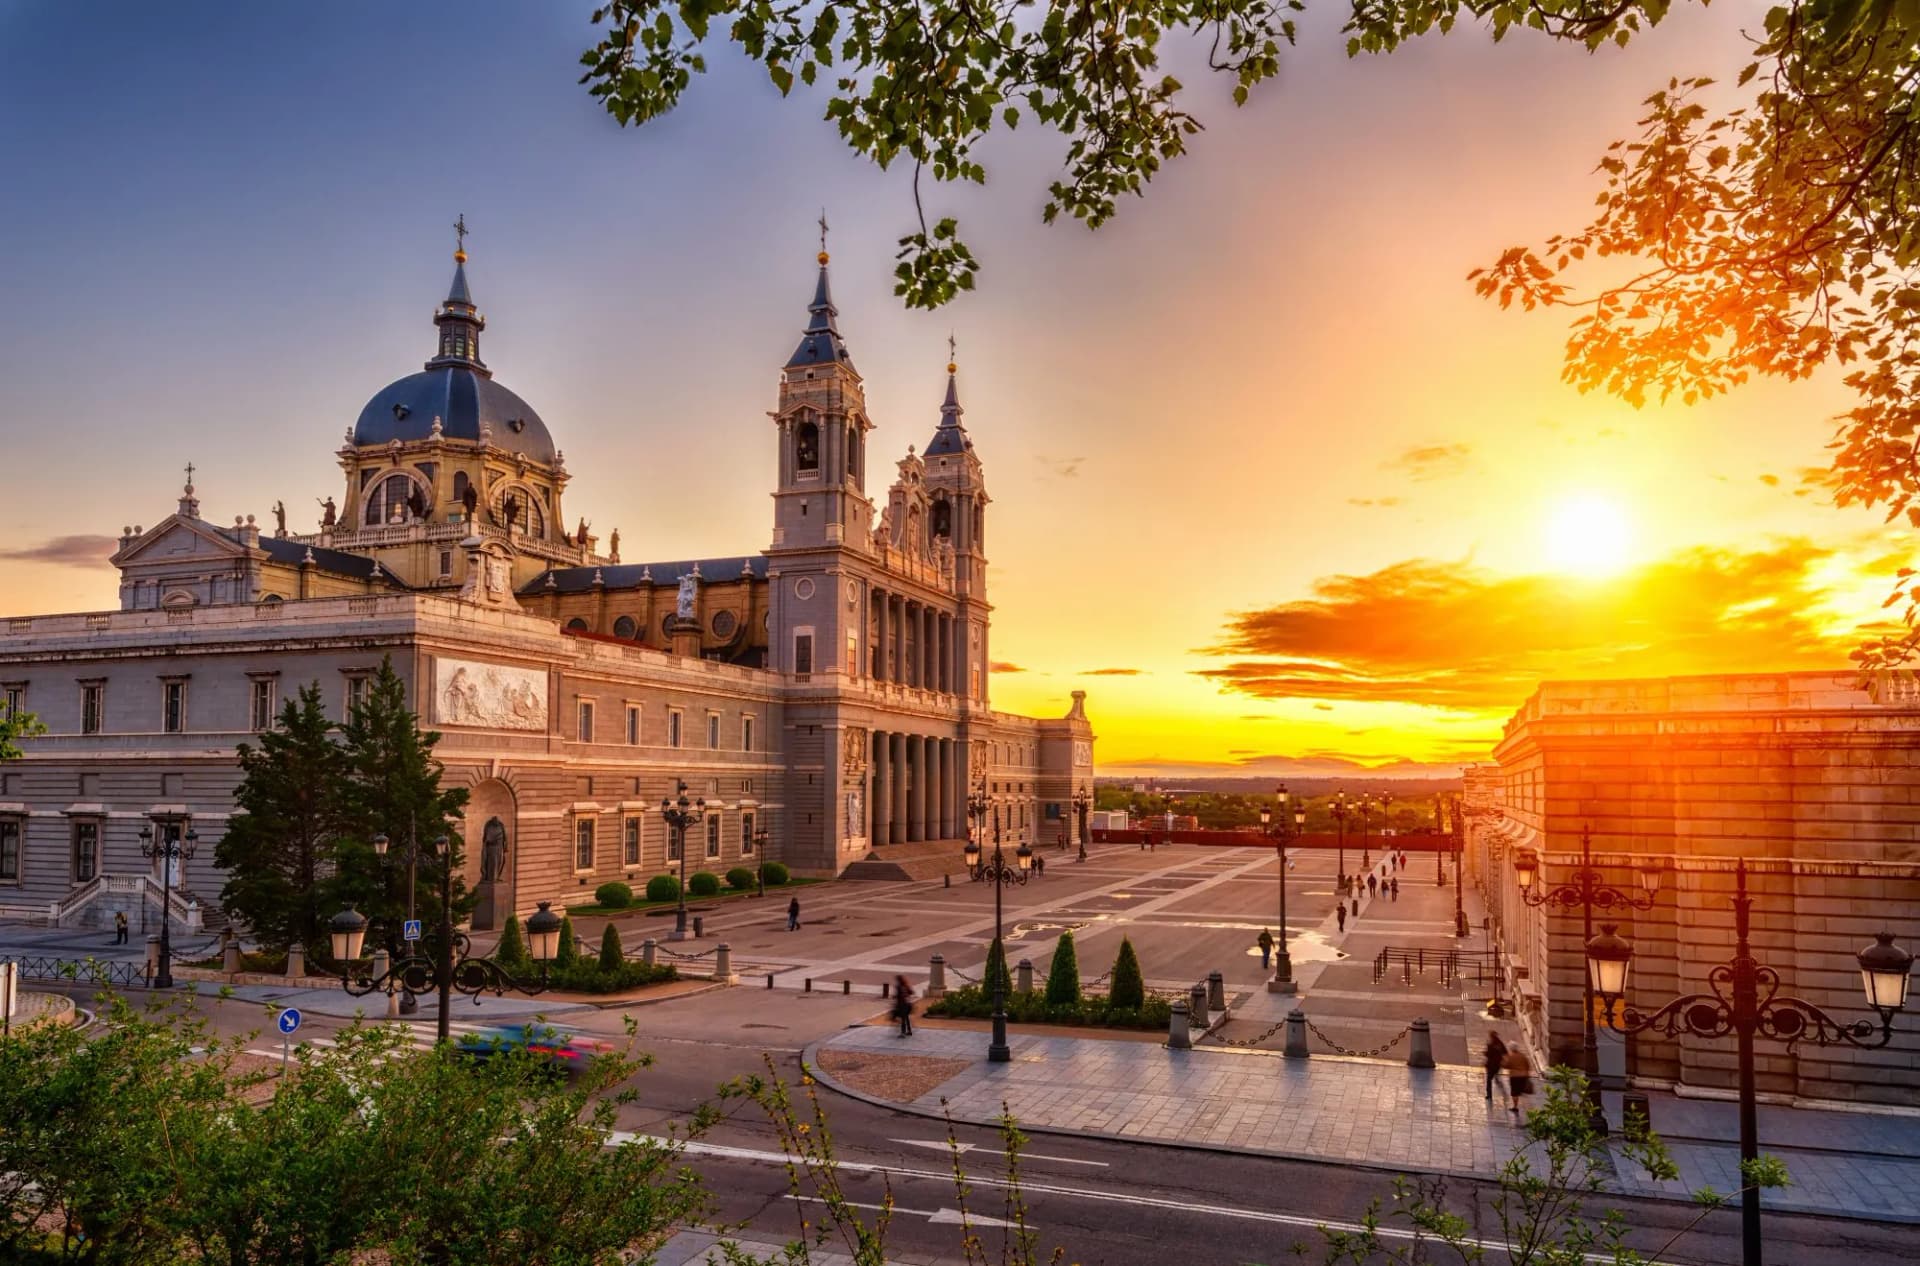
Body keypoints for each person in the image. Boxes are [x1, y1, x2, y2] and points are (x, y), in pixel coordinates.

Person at [1504, 1044, 1534, 1115]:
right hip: (1523, 1076)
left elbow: (1506, 1065)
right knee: (1521, 1090)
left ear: (1511, 1049)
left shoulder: (1511, 1056)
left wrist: (1504, 1059)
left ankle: (1515, 1106)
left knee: (1514, 1092)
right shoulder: (1523, 1056)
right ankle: (1527, 1105)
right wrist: (1527, 1074)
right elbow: (1528, 1065)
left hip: (1514, 1076)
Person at [1482, 1032, 1508, 1101]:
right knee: (1496, 1074)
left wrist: (1485, 1053)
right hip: (1498, 1065)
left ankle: (1489, 1095)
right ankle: (1497, 1079)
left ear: (1491, 1037)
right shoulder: (1500, 1043)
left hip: (1491, 1066)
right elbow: (1505, 1052)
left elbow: (1488, 1054)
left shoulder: (1490, 1044)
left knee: (1489, 1080)